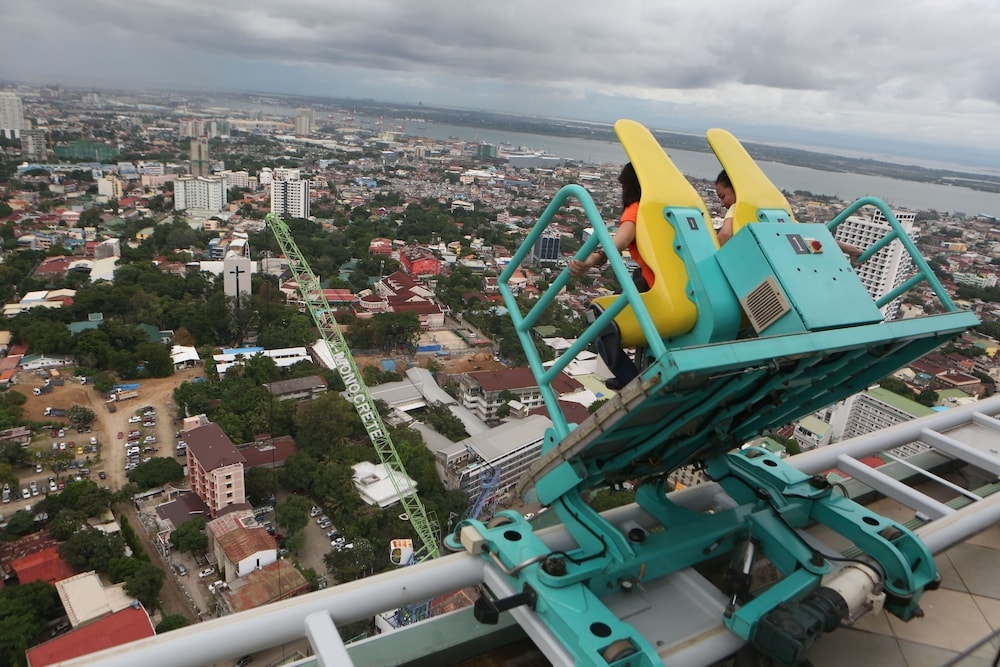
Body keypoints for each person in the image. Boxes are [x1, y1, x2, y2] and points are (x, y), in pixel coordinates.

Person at [570, 163, 645, 389]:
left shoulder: (636, 209)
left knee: (601, 323)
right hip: (682, 282)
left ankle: (631, 382)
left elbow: (619, 242)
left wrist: (592, 260)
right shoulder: (669, 207)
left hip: (652, 283)